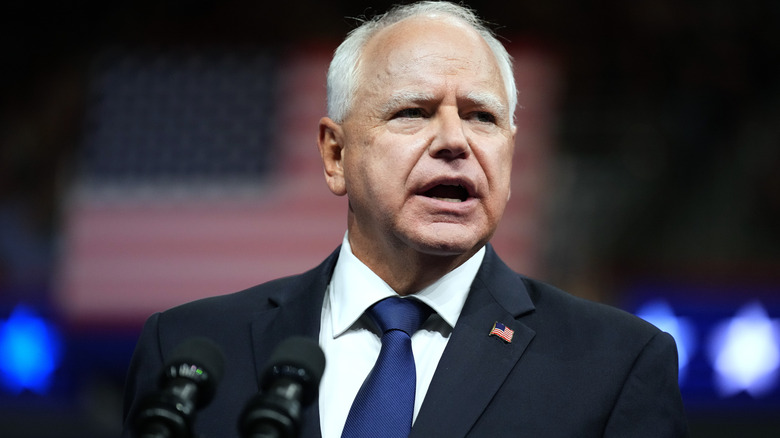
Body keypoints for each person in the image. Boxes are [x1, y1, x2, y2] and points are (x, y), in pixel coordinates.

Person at [122, 1, 689, 437]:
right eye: (413, 112)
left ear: (512, 154)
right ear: (335, 155)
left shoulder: (616, 365)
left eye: (482, 117)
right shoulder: (188, 349)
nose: (454, 141)